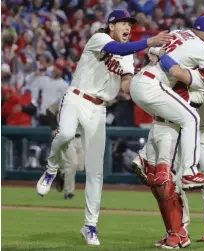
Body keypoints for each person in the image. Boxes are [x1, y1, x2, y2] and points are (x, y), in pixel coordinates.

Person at [35, 9, 171, 246]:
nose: (128, 27)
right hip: (77, 97)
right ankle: (51, 167)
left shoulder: (128, 56)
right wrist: (148, 42)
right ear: (111, 26)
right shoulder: (100, 39)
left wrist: (150, 69)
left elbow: (127, 88)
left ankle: (90, 226)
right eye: (124, 23)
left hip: (99, 109)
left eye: (130, 24)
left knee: (95, 171)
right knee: (65, 133)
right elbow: (118, 49)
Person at [132, 39, 204, 248]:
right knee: (173, 180)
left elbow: (179, 74)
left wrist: (158, 52)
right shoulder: (192, 60)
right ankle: (180, 230)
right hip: (178, 127)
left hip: (201, 127)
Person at [129, 15, 204, 191]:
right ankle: (189, 172)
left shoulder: (178, 32)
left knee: (167, 119)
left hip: (139, 81)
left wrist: (157, 53)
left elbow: (151, 51)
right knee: (192, 118)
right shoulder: (201, 49)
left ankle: (145, 158)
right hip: (152, 85)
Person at [46, 97, 84, 200]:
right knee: (72, 164)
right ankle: (69, 193)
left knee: (80, 167)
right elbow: (49, 110)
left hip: (81, 137)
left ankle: (62, 172)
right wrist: (53, 127)